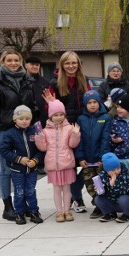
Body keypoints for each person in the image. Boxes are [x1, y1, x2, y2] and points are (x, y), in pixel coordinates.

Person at [0, 49, 36, 221]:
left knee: (25, 167)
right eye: (9, 60)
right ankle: (8, 206)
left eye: (16, 60)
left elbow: (32, 105)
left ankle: (24, 204)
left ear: (21, 61)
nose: (13, 63)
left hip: (24, 131)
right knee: (6, 169)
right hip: (4, 130)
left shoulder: (28, 80)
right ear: (3, 62)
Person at [43, 51, 91, 213]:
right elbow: (51, 110)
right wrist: (51, 103)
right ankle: (76, 199)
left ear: (78, 64)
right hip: (63, 130)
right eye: (67, 63)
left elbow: (92, 101)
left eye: (74, 63)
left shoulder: (84, 81)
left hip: (82, 128)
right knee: (69, 166)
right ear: (62, 65)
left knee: (85, 164)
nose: (71, 66)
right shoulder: (55, 83)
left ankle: (74, 194)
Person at [34, 100, 81, 222]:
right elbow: (43, 147)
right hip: (53, 164)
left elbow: (72, 144)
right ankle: (59, 212)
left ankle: (67, 211)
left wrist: (76, 134)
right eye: (55, 115)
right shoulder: (45, 130)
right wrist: (39, 137)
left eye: (61, 114)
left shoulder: (69, 128)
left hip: (66, 163)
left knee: (67, 189)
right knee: (56, 189)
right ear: (50, 116)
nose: (59, 117)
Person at [0, 105, 44, 225]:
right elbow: (4, 151)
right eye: (21, 118)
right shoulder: (10, 134)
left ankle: (34, 211)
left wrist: (35, 160)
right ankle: (19, 213)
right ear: (15, 120)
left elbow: (41, 150)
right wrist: (19, 159)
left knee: (30, 191)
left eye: (27, 118)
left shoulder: (34, 132)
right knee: (19, 191)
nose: (24, 121)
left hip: (32, 169)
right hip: (17, 169)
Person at [75, 90, 112, 219]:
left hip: (100, 160)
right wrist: (80, 158)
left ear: (99, 103)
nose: (92, 105)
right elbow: (78, 140)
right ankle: (97, 203)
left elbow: (105, 139)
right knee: (90, 185)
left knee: (102, 184)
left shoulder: (105, 118)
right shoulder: (81, 119)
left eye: (95, 102)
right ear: (85, 104)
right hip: (87, 161)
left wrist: (103, 157)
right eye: (89, 103)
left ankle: (102, 206)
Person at [95, 153, 129, 223]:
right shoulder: (103, 176)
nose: (116, 171)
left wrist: (114, 185)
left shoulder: (123, 174)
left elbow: (127, 190)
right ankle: (110, 214)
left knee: (124, 199)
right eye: (113, 170)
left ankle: (128, 214)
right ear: (107, 170)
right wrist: (100, 190)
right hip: (112, 201)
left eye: (118, 168)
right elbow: (102, 194)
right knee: (98, 199)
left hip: (123, 203)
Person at [24, 56, 50, 126]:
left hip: (42, 118)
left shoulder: (45, 82)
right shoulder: (21, 81)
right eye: (32, 64)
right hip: (25, 117)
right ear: (26, 65)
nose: (35, 67)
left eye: (37, 65)